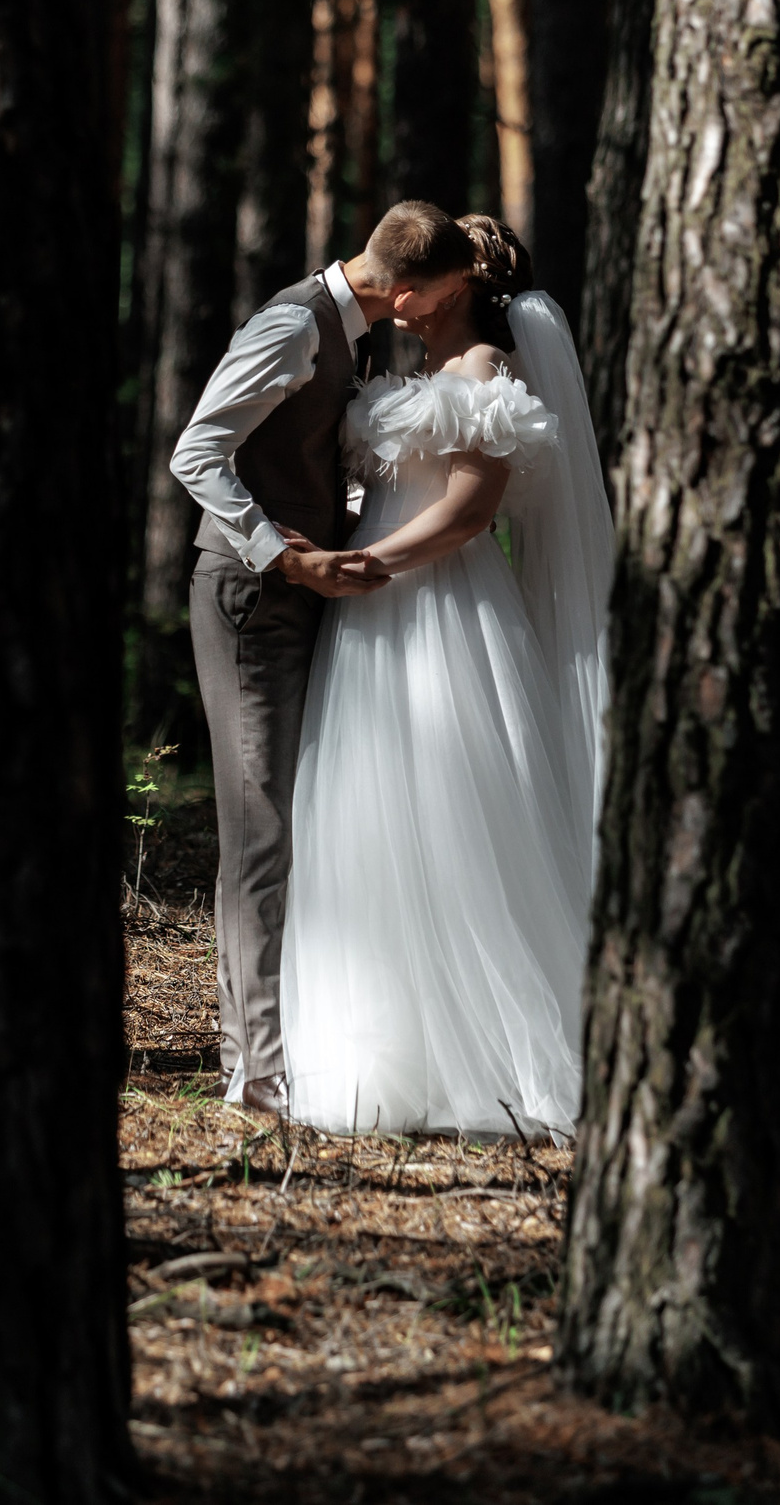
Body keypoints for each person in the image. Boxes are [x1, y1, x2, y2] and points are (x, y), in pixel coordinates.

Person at [278, 215, 612, 1136]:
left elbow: (469, 512)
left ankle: (491, 1053)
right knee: (373, 814)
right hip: (374, 614)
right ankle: (388, 1051)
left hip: (442, 607)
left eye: (419, 284)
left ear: (459, 285)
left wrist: (368, 561)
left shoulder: (486, 372)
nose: (399, 298)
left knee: (455, 812)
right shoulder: (420, 370)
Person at [171, 201, 477, 1116]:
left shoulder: (355, 335)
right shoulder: (292, 325)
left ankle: (281, 1044)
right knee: (260, 828)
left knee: (298, 818)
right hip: (248, 597)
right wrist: (285, 555)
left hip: (300, 599)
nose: (441, 313)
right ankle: (254, 1071)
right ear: (408, 290)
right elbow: (197, 451)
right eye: (444, 296)